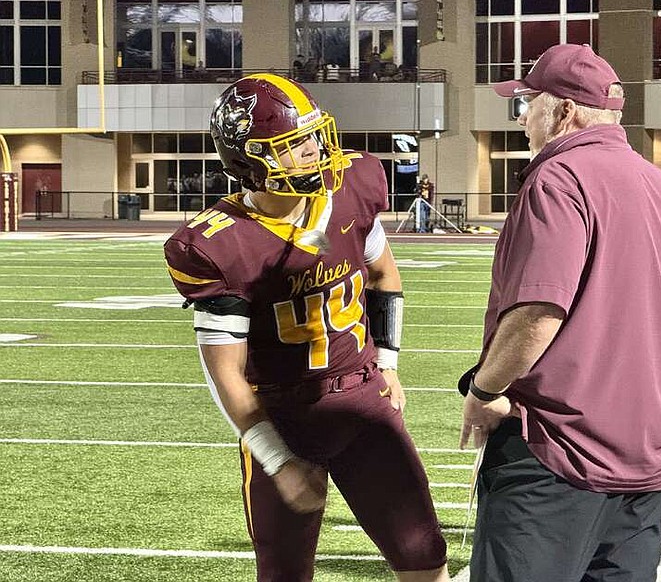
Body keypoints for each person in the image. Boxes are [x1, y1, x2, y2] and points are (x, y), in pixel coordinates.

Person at [164, 74, 449, 582]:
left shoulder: (351, 185)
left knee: (424, 557)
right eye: (293, 145)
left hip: (363, 403)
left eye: (314, 135)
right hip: (283, 417)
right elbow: (225, 372)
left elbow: (384, 276)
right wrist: (277, 459)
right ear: (251, 160)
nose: (315, 151)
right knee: (283, 573)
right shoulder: (217, 245)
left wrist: (388, 361)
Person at [459, 44, 661, 581]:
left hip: (555, 456)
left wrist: (484, 392)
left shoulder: (558, 180)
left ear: (563, 111)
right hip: (648, 461)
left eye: (526, 102)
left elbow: (539, 311)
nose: (523, 117)